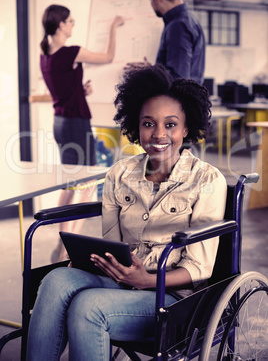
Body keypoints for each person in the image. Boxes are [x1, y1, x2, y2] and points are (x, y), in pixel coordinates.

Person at [26, 64, 227, 361]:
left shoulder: (207, 180)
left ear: (186, 128)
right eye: (148, 123)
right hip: (120, 280)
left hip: (170, 299)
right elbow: (112, 245)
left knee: (87, 306)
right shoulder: (120, 173)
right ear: (137, 125)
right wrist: (89, 262)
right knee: (55, 279)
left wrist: (147, 280)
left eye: (170, 125)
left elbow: (199, 268)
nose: (159, 134)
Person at [40, 4, 124, 262]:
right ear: (60, 25)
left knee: (70, 181)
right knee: (86, 183)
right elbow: (108, 56)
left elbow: (63, 88)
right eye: (70, 21)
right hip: (76, 123)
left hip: (60, 123)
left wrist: (80, 90)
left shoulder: (46, 55)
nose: (73, 25)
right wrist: (113, 27)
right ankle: (67, 244)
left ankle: (61, 237)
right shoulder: (70, 53)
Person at [125, 0, 205, 84]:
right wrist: (150, 69)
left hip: (178, 101)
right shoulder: (189, 19)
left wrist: (149, 72)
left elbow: (178, 78)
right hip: (186, 99)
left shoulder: (178, 25)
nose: (151, 4)